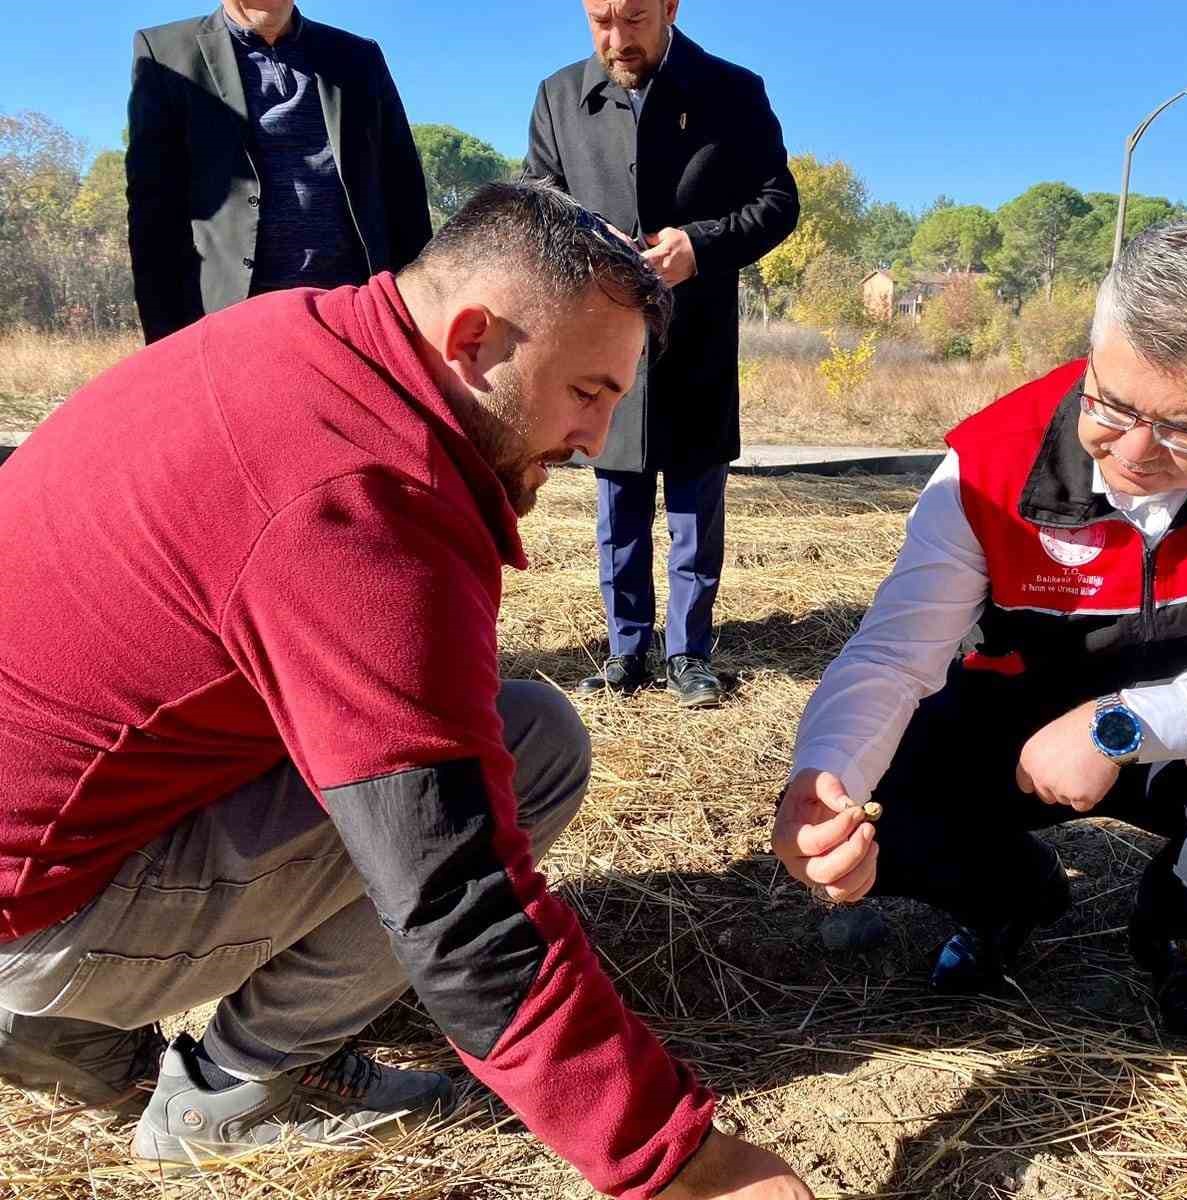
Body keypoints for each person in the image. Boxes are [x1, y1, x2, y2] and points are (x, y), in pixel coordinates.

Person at [0, 181, 812, 1200]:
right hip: (38, 911)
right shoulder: (361, 500)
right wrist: (682, 1165)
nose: (597, 439)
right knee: (534, 747)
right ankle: (239, 1085)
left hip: (45, 829)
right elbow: (458, 906)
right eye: (587, 392)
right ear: (472, 338)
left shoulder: (300, 339)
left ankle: (56, 1019)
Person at [772, 222, 1187, 1045]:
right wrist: (822, 783)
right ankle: (1008, 898)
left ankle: (1175, 926)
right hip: (1013, 727)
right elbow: (893, 653)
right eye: (1113, 404)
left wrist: (1124, 725)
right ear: (1094, 347)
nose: (1135, 452)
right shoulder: (991, 455)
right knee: (882, 792)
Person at [525, 0, 800, 707]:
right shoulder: (558, 96)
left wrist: (699, 246)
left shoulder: (733, 91)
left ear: (671, 7)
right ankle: (625, 649)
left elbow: (777, 202)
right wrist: (588, 237)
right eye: (599, 21)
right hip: (601, 341)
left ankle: (688, 653)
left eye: (635, 19)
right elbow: (538, 195)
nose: (616, 40)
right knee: (616, 500)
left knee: (692, 503)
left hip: (697, 337)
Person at [127, 0, 432, 343]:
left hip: (355, 320)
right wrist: (167, 346)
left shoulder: (359, 58)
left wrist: (419, 321)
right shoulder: (165, 54)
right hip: (232, 327)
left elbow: (405, 197)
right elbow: (152, 216)